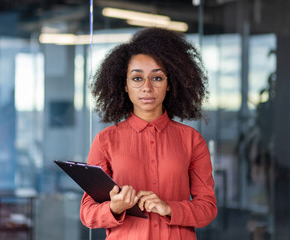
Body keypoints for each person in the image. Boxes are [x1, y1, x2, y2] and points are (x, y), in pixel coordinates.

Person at [80, 27, 217, 240]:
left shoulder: (192, 140)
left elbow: (207, 208)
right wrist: (114, 208)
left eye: (157, 78)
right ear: (124, 85)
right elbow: (87, 213)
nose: (147, 87)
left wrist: (169, 208)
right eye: (136, 78)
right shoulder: (106, 140)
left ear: (170, 84)